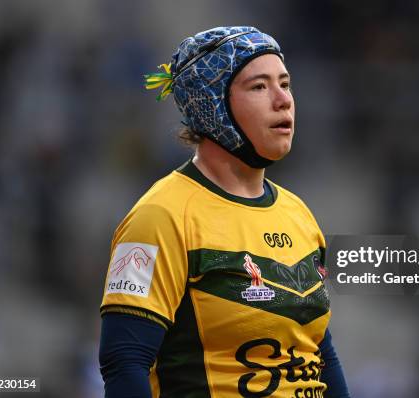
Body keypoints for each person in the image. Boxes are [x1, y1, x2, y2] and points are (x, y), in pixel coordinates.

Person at [98, 26, 350, 398]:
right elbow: (124, 362)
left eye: (285, 83)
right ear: (212, 104)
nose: (283, 100)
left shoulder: (299, 214)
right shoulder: (160, 216)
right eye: (259, 87)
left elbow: (318, 351)